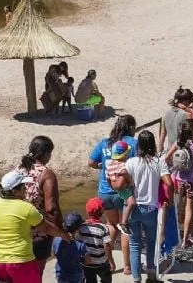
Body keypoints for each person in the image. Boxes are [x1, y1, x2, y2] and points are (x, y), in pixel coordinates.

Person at [111, 130, 174, 283]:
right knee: (151, 243)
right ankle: (151, 276)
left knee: (134, 244)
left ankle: (136, 279)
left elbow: (121, 184)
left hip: (132, 209)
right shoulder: (158, 162)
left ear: (138, 145)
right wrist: (170, 200)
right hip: (150, 209)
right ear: (153, 144)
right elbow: (169, 183)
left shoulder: (131, 162)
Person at [0, 170, 72, 283]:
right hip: (21, 263)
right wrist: (63, 234)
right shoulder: (26, 208)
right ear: (15, 191)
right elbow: (46, 228)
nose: (26, 189)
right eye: (23, 187)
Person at [87, 115, 136, 275]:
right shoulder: (133, 143)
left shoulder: (104, 142)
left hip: (105, 190)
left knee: (110, 225)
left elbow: (91, 162)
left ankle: (109, 263)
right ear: (131, 127)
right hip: (123, 191)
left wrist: (103, 166)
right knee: (124, 227)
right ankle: (127, 266)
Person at [17, 136, 63, 275]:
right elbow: (52, 209)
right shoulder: (46, 174)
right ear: (45, 154)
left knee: (20, 272)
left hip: (19, 229)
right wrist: (59, 231)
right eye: (50, 153)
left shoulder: (19, 169)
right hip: (39, 232)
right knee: (36, 272)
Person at [164, 119, 193, 248]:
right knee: (189, 209)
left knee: (176, 207)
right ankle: (185, 239)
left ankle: (172, 234)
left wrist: (174, 165)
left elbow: (166, 157)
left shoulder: (178, 143)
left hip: (177, 179)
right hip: (192, 181)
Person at [105, 141, 137, 236]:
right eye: (126, 154)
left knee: (127, 202)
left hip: (117, 190)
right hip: (125, 188)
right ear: (123, 155)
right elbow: (124, 173)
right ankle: (123, 222)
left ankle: (123, 220)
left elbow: (107, 177)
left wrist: (112, 186)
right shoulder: (122, 165)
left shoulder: (110, 165)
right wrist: (131, 182)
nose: (127, 156)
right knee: (132, 202)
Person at [78, 198, 114, 283]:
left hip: (86, 263)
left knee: (90, 280)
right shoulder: (103, 228)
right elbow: (107, 247)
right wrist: (111, 261)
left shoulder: (81, 226)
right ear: (102, 212)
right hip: (102, 263)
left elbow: (78, 243)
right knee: (106, 280)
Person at [52, 212, 88, 283]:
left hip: (60, 274)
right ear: (78, 229)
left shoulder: (56, 240)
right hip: (75, 276)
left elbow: (55, 253)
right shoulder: (80, 244)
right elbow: (88, 260)